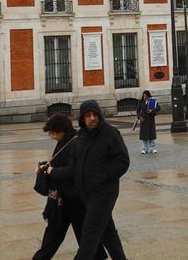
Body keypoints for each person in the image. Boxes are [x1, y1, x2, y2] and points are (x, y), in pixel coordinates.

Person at [50, 100, 129, 260]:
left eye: (95, 115)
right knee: (107, 231)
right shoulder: (81, 137)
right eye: (88, 115)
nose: (92, 118)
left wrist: (103, 176)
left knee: (90, 233)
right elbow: (74, 167)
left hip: (105, 191)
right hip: (86, 193)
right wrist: (52, 172)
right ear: (82, 118)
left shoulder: (110, 133)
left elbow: (122, 161)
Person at [32, 113, 105, 260]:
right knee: (56, 232)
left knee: (83, 233)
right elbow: (61, 161)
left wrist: (51, 171)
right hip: (62, 197)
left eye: (52, 132)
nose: (51, 136)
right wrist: (45, 166)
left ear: (61, 129)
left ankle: (97, 256)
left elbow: (73, 170)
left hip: (75, 198)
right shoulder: (65, 141)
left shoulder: (77, 143)